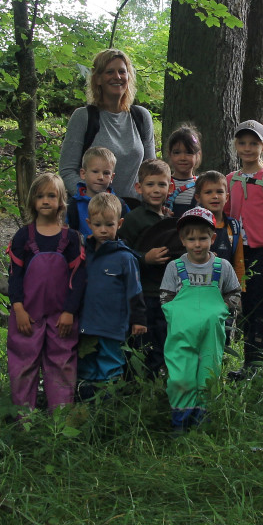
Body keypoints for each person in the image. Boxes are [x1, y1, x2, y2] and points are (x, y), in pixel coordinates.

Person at [6, 173, 85, 413]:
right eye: (40, 196)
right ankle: (24, 420)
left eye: (51, 195)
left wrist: (70, 311)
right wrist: (18, 308)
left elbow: (79, 279)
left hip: (61, 318)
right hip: (27, 316)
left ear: (61, 201)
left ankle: (60, 421)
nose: (45, 201)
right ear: (32, 201)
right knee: (23, 365)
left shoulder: (70, 239)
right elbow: (15, 276)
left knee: (61, 365)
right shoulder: (23, 236)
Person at [160, 207, 242, 431]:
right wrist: (179, 316)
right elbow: (165, 298)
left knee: (208, 375)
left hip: (211, 335)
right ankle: (180, 426)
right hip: (181, 334)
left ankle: (201, 428)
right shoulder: (175, 268)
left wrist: (219, 311)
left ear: (213, 238)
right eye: (192, 239)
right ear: (183, 240)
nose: (197, 244)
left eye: (203, 238)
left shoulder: (222, 267)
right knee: (180, 376)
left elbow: (234, 293)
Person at [226, 120, 263, 379]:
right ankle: (246, 362)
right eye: (242, 143)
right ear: (235, 146)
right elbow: (226, 216)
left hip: (262, 253)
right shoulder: (230, 179)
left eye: (253, 143)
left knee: (261, 305)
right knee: (245, 305)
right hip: (238, 252)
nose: (247, 148)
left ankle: (258, 362)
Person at [58, 49, 155, 206]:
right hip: (94, 215)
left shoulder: (141, 117)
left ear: (128, 77)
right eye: (109, 72)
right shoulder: (84, 117)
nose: (117, 77)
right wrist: (92, 201)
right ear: (98, 79)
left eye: (122, 72)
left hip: (134, 212)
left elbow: (151, 171)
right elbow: (67, 171)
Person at [77, 193, 147, 398]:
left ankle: (108, 409)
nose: (103, 230)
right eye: (98, 225)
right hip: (87, 325)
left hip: (113, 326)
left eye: (109, 224)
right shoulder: (84, 254)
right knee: (86, 366)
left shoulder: (126, 258)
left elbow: (135, 291)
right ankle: (85, 406)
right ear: (89, 223)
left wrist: (138, 320)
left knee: (110, 366)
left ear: (120, 223)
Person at [119, 159, 176, 378]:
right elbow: (121, 253)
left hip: (167, 294)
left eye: (161, 184)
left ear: (170, 187)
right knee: (141, 342)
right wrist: (144, 258)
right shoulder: (133, 219)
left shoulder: (168, 218)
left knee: (163, 339)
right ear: (139, 188)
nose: (156, 190)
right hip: (142, 294)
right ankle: (136, 386)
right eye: (150, 185)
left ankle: (159, 384)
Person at [195, 169, 245, 351]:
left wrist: (239, 291)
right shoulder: (193, 225)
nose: (215, 196)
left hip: (225, 292)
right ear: (198, 197)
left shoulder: (233, 226)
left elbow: (238, 260)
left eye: (219, 192)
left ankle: (217, 373)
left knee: (222, 333)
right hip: (197, 290)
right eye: (208, 192)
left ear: (227, 196)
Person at [67, 147, 129, 238]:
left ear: (112, 177)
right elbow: (64, 235)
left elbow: (130, 234)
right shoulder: (72, 205)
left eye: (106, 173)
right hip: (82, 250)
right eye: (95, 171)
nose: (100, 177)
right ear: (83, 173)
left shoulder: (120, 205)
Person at [163, 125, 202, 215]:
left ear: (197, 155)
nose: (182, 158)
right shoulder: (163, 183)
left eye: (189, 152)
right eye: (177, 152)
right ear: (170, 154)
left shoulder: (201, 185)